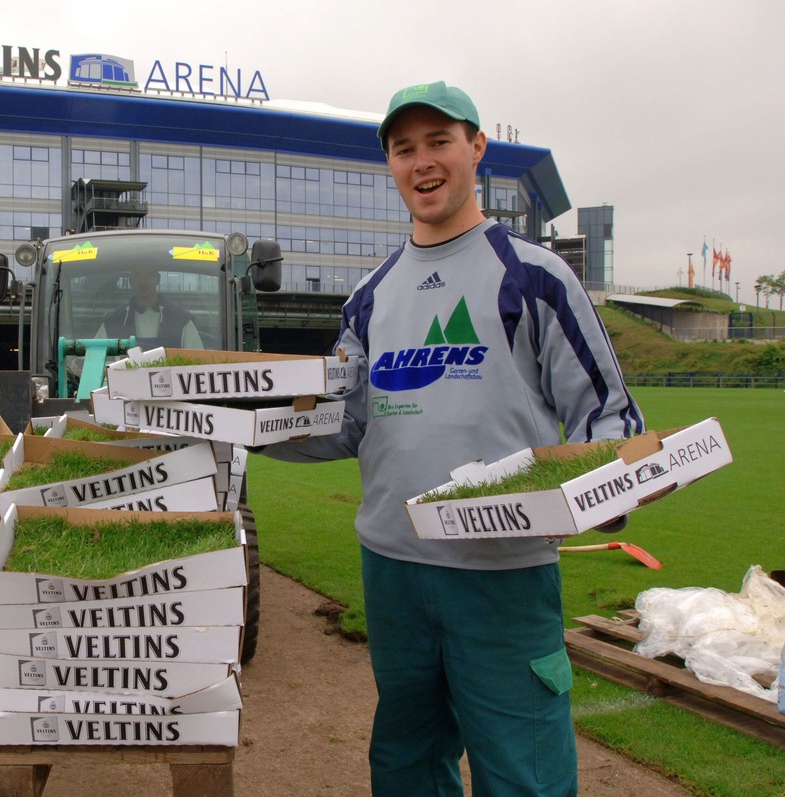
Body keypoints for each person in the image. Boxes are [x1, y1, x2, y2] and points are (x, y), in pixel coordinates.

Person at [259, 81, 644, 796]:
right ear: (392, 165)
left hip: (502, 573)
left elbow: (610, 416)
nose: (423, 161)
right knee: (407, 762)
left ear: (476, 148)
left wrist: (603, 497)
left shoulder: (533, 277)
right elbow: (344, 424)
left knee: (522, 772)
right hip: (394, 572)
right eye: (405, 148)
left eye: (439, 141)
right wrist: (238, 431)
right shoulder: (368, 297)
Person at [94, 268, 204, 349]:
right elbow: (91, 362)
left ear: (158, 279)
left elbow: (199, 363)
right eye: (138, 275)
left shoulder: (182, 321)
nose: (143, 281)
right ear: (130, 281)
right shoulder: (111, 323)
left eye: (149, 275)